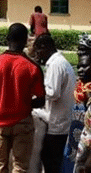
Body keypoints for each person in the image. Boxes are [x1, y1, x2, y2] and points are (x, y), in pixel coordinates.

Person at [0, 23, 45, 172]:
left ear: (7, 38)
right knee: (20, 166)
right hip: (23, 121)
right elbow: (41, 99)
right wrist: (24, 103)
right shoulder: (32, 67)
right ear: (25, 41)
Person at [30, 33, 76, 173]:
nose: (38, 55)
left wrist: (33, 97)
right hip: (60, 121)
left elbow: (53, 93)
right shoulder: (60, 62)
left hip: (56, 125)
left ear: (45, 47)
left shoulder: (56, 65)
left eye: (38, 51)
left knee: (51, 163)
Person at [74, 48, 91, 172]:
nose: (80, 70)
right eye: (78, 66)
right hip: (76, 147)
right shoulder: (79, 91)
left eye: (85, 66)